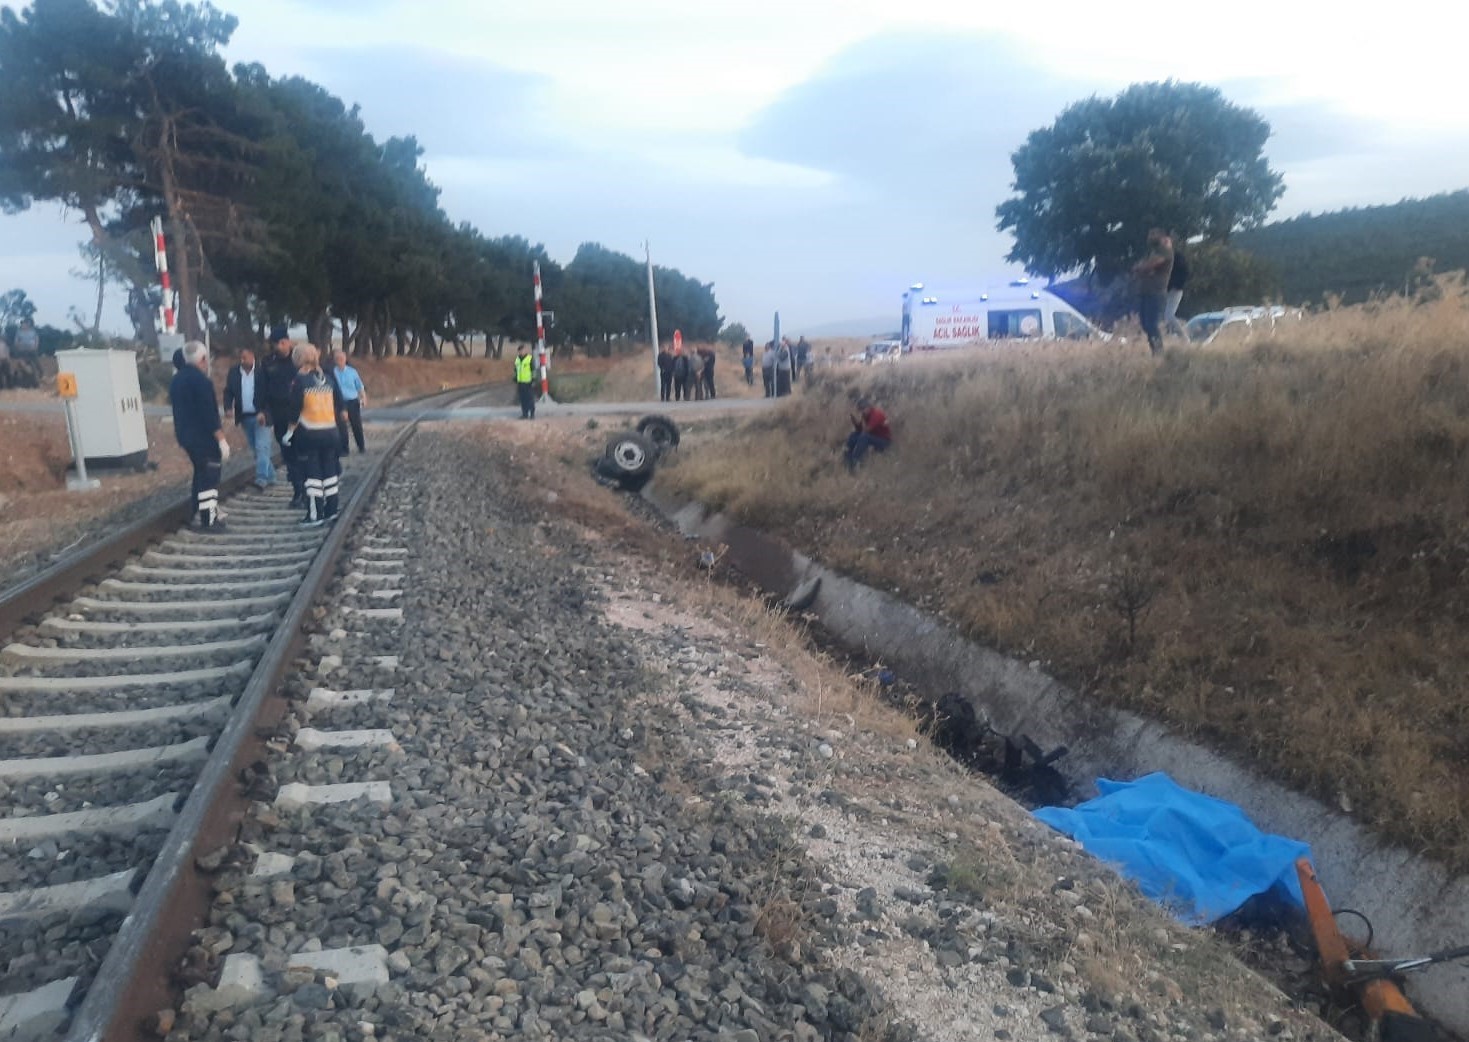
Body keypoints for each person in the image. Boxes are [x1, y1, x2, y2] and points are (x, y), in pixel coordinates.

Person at [169, 340, 230, 529]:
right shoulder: (202, 381)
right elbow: (209, 413)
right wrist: (221, 439)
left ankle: (195, 512)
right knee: (209, 476)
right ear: (202, 359)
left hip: (185, 437)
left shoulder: (176, 380)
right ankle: (209, 519)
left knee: (200, 473)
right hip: (204, 438)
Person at [283, 343, 345, 526]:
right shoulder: (328, 379)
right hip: (331, 432)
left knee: (312, 475)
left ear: (298, 360)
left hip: (309, 434)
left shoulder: (299, 382)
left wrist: (289, 432)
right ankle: (331, 510)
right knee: (330, 473)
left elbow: (294, 410)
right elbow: (337, 403)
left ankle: (315, 514)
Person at [258, 326, 304, 507]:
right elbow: (262, 389)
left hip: (300, 417)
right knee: (289, 456)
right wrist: (262, 410)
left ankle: (307, 491)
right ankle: (297, 491)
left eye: (282, 343)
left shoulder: (299, 359)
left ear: (288, 341)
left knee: (303, 454)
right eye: (276, 344)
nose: (280, 347)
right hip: (279, 417)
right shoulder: (268, 363)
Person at [223, 347, 275, 489]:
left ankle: (261, 478)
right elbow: (228, 392)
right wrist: (228, 407)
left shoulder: (262, 372)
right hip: (245, 416)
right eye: (241, 357)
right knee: (255, 448)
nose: (242, 360)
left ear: (252, 356)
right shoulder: (234, 372)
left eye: (245, 357)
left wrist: (264, 412)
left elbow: (269, 395)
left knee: (262, 447)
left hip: (261, 416)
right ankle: (271, 476)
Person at [1132, 228, 1174, 356]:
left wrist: (1143, 267)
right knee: (1146, 324)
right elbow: (1139, 266)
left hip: (1156, 292)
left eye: (1153, 234)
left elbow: (1148, 265)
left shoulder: (1165, 251)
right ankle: (1155, 351)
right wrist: (1142, 267)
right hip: (1146, 291)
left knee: (1151, 324)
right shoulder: (1153, 252)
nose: (1150, 237)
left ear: (1161, 237)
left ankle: (1159, 353)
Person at [844, 395, 892, 471]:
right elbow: (860, 431)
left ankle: (855, 462)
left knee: (864, 437)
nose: (862, 411)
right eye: (860, 409)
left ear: (868, 407)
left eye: (863, 408)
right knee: (853, 435)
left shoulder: (876, 414)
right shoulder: (866, 415)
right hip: (874, 437)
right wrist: (856, 423)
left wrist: (859, 424)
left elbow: (866, 431)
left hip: (884, 441)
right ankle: (847, 458)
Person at [333, 349, 368, 453]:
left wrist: (363, 398)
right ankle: (344, 448)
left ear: (345, 359)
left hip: (352, 401)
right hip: (339, 402)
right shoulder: (333, 372)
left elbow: (359, 386)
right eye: (337, 359)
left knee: (356, 425)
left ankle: (361, 446)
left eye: (342, 358)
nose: (340, 360)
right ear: (334, 360)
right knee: (341, 427)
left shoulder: (352, 372)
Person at [1164, 240, 1190, 338]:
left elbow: (1184, 272)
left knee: (1169, 316)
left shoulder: (1177, 257)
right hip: (1166, 290)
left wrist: (1176, 285)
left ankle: (1184, 338)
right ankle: (1170, 337)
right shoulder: (1164, 259)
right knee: (1165, 317)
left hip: (1175, 289)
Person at [514, 343, 536, 419]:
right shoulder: (517, 360)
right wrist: (515, 378)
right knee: (523, 399)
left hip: (528, 382)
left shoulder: (529, 359)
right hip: (520, 382)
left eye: (522, 350)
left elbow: (533, 370)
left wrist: (533, 380)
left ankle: (532, 414)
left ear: (525, 351)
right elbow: (516, 370)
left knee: (529, 399)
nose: (521, 352)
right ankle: (525, 414)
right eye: (519, 351)